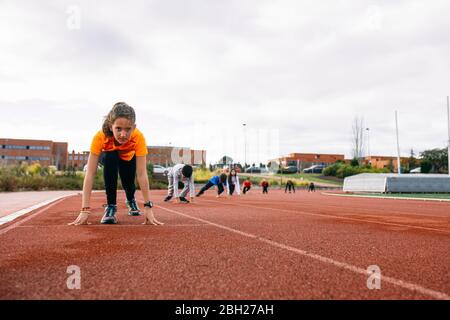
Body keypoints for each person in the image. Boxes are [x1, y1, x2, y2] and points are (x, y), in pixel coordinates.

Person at [69, 102, 163, 226]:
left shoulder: (138, 138)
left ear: (134, 127)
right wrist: (85, 209)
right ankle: (111, 206)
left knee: (128, 183)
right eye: (118, 129)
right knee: (111, 156)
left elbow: (141, 173)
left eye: (128, 129)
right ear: (110, 126)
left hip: (128, 157)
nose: (123, 134)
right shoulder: (100, 137)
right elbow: (90, 173)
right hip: (109, 157)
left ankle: (130, 199)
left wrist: (148, 207)